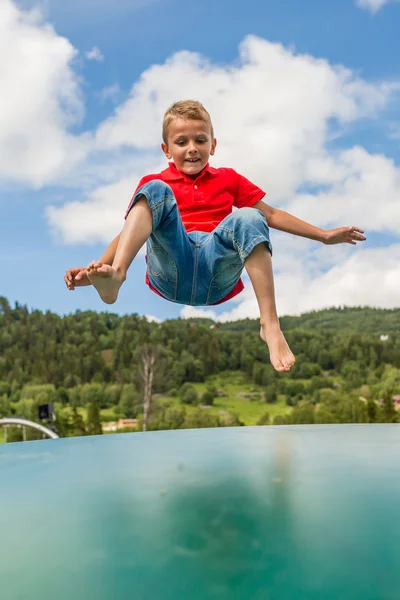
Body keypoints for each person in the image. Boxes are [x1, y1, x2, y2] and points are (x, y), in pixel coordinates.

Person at [64, 100, 366, 372]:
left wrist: (324, 236)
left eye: (200, 140)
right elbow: (129, 230)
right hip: (173, 266)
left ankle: (270, 324)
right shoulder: (155, 184)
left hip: (215, 270)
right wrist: (96, 272)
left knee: (251, 215)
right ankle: (116, 276)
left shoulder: (228, 179)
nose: (192, 148)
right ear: (166, 150)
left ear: (213, 144)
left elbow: (271, 215)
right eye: (181, 142)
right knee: (153, 191)